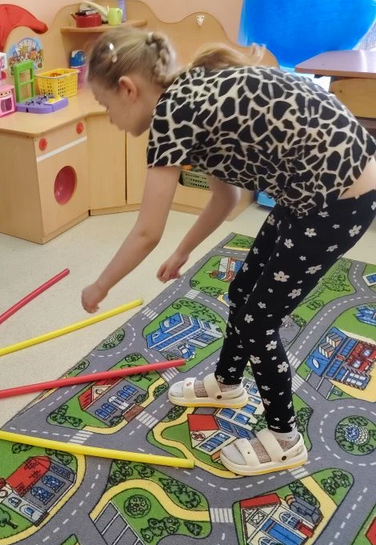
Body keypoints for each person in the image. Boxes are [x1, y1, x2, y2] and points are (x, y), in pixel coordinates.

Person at [81, 26, 376, 475]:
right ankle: (227, 383)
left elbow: (145, 232)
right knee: (242, 292)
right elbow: (227, 198)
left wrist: (100, 285)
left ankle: (285, 438)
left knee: (258, 321)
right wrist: (184, 250)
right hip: (312, 188)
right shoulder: (192, 92)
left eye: (105, 106)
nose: (110, 118)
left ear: (128, 88)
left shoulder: (172, 116)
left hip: (336, 200)